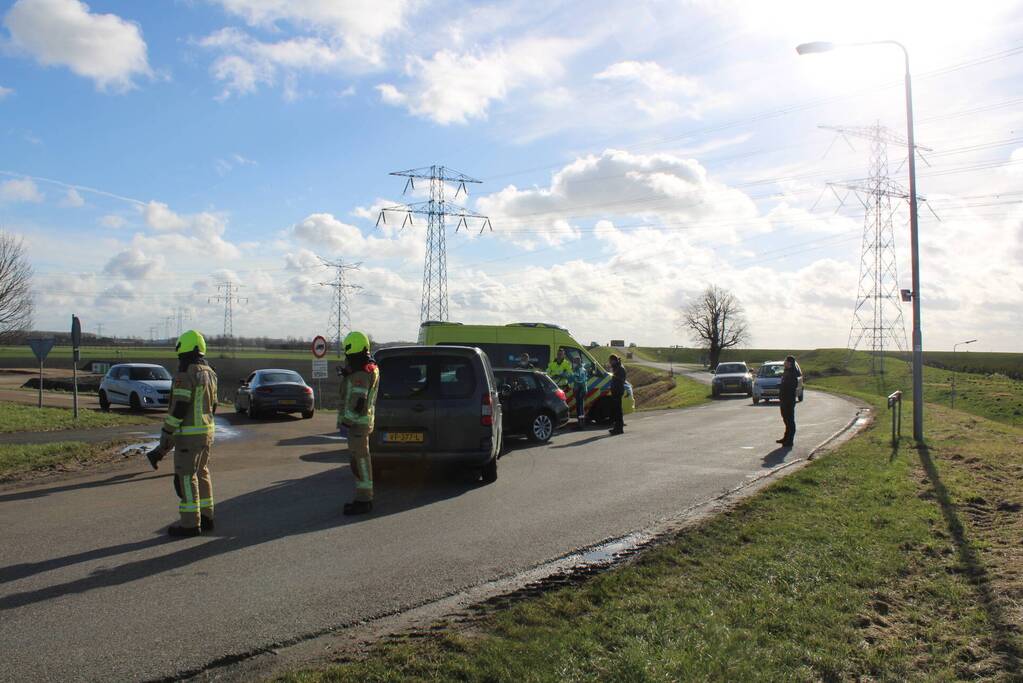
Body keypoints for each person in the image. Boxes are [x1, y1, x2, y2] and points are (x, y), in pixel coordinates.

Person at [146, 330, 218, 537]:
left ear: (182, 348)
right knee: (203, 472)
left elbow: (180, 407)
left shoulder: (186, 373)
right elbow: (214, 405)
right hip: (207, 432)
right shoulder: (210, 371)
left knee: (186, 477)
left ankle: (189, 524)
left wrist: (167, 430)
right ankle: (206, 517)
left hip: (189, 435)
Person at [337, 330, 380, 516]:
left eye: (348, 354)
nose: (346, 357)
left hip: (356, 425)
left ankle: (364, 500)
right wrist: (348, 372)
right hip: (361, 423)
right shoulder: (368, 367)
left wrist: (346, 422)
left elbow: (358, 402)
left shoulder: (361, 373)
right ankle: (364, 496)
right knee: (358, 460)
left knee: (361, 461)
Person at [777, 355, 800, 447]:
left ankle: (790, 441)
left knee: (790, 420)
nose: (784, 363)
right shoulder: (786, 372)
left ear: (789, 363)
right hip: (784, 400)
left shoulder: (793, 373)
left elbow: (791, 387)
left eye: (785, 361)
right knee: (786, 419)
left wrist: (784, 390)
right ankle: (786, 438)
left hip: (789, 401)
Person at [608, 354, 626, 435]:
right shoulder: (617, 368)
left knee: (618, 411)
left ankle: (619, 428)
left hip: (618, 391)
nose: (610, 363)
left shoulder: (620, 368)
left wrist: (614, 377)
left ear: (614, 360)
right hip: (615, 391)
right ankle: (617, 427)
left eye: (611, 361)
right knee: (616, 410)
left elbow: (621, 380)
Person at [570, 356, 589, 428]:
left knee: (580, 407)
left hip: (580, 390)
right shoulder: (582, 369)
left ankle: (581, 424)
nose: (573, 363)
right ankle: (580, 423)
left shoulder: (579, 369)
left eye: (574, 362)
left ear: (578, 362)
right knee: (580, 406)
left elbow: (580, 380)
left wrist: (571, 376)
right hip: (580, 389)